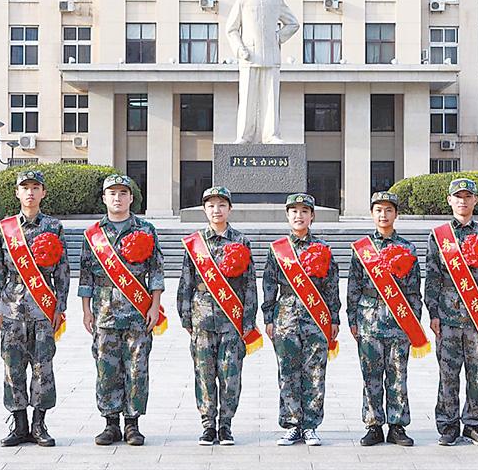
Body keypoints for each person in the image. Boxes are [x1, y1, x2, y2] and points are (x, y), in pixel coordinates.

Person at [79, 174, 165, 446]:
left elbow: (156, 272)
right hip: (104, 313)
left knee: (137, 369)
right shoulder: (93, 234)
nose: (117, 198)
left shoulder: (146, 230)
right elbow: (85, 276)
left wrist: (154, 306)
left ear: (131, 198)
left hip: (138, 313)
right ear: (104, 198)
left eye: (122, 193)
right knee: (106, 368)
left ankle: (132, 424)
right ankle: (110, 424)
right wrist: (86, 311)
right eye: (112, 193)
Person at [425, 178, 478, 446]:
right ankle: (448, 425)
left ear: (475, 200)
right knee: (447, 373)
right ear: (449, 200)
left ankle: (474, 424)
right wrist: (433, 313)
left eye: (467, 196)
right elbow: (433, 277)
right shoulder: (439, 236)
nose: (462, 201)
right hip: (447, 317)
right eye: (457, 196)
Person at [177, 186, 260, 446]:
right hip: (202, 319)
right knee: (203, 373)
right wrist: (186, 317)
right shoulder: (195, 243)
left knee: (230, 374)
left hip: (232, 320)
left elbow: (249, 284)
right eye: (211, 205)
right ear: (204, 210)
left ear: (230, 209)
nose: (216, 210)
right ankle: (207, 424)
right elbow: (186, 282)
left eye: (221, 205)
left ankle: (226, 425)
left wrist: (247, 320)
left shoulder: (241, 241)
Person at [0, 170, 70, 447]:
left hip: (42, 308)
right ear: (17, 192)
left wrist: (59, 306)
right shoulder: (6, 227)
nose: (30, 192)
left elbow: (62, 270)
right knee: (12, 366)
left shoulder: (54, 226)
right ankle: (19, 424)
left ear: (43, 193)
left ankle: (39, 424)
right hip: (12, 308)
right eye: (24, 187)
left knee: (43, 367)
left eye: (35, 187)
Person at [347, 192, 427, 447]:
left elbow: (414, 289)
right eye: (379, 210)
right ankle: (373, 425)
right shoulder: (361, 249)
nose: (383, 215)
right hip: (368, 318)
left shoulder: (407, 247)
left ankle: (397, 426)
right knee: (370, 374)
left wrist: (414, 321)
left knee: (398, 374)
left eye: (388, 210)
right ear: (372, 214)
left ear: (396, 214)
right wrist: (352, 318)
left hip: (399, 320)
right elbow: (353, 287)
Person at [262, 193, 340, 446]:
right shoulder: (278, 250)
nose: (299, 216)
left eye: (304, 211)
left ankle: (310, 426)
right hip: (285, 318)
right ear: (287, 216)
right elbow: (269, 284)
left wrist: (334, 318)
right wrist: (269, 317)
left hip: (316, 319)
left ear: (312, 216)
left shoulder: (323, 249)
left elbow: (331, 287)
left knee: (315, 373)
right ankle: (292, 424)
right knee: (287, 372)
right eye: (294, 211)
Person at [225, 0, 300, 144]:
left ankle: (271, 135)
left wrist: (278, 38)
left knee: (271, 99)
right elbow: (231, 29)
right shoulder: (243, 0)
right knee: (247, 99)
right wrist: (240, 48)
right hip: (249, 56)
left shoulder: (277, 1)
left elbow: (293, 24)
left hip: (271, 57)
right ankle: (244, 135)